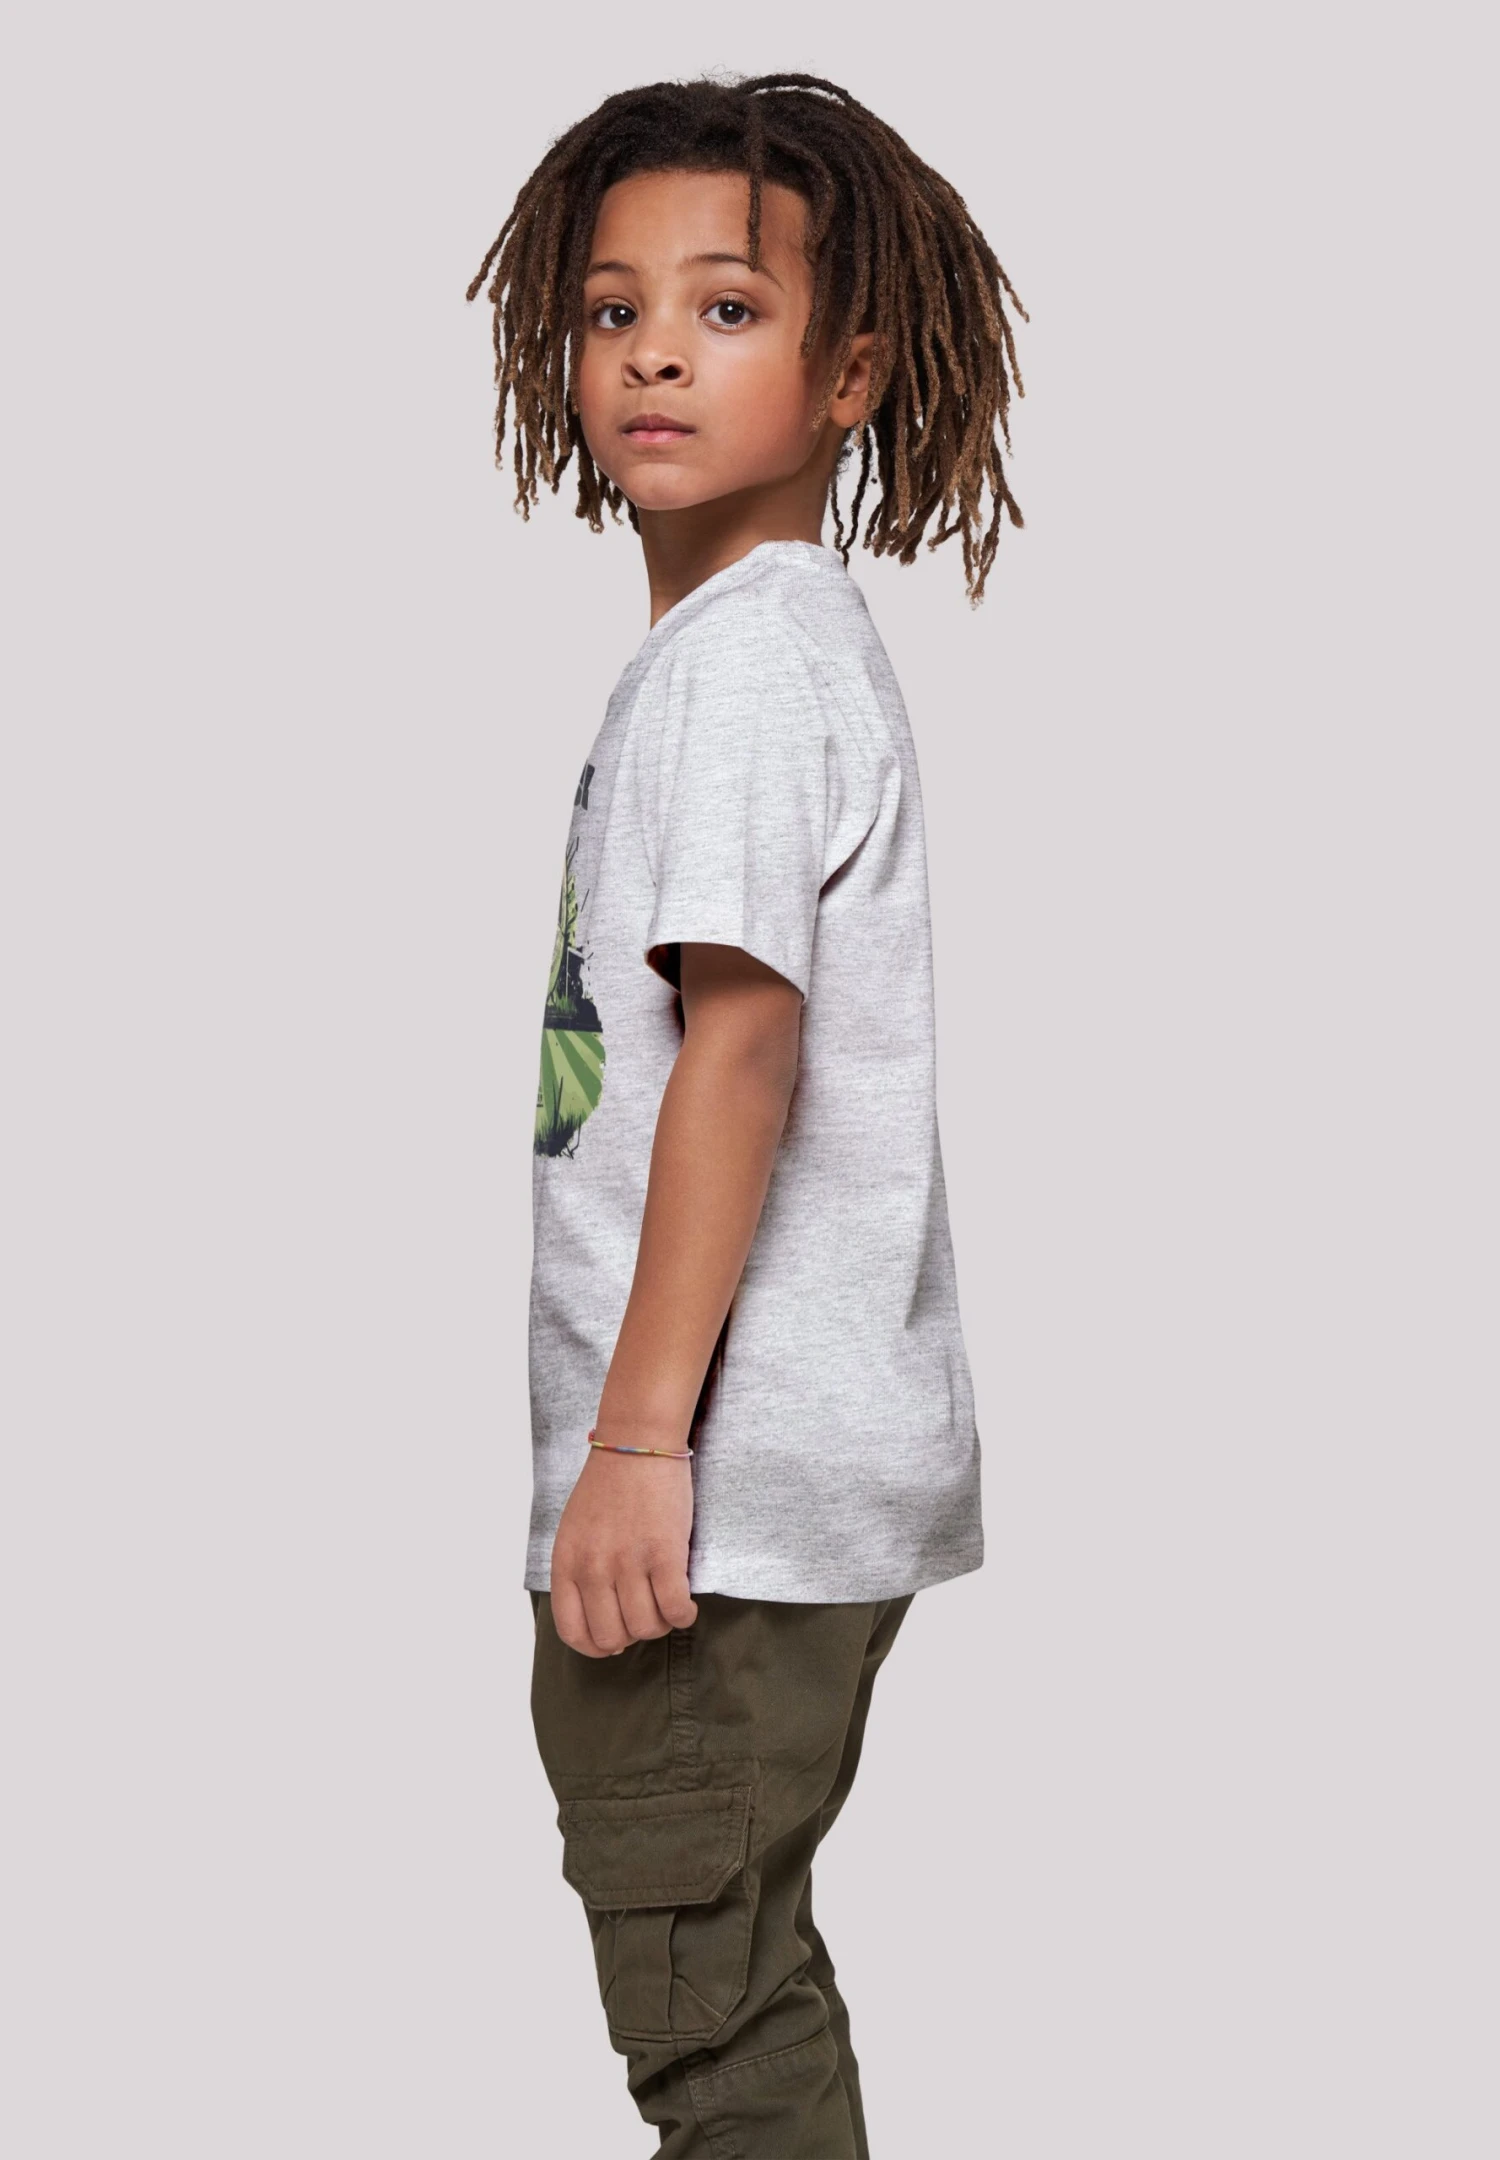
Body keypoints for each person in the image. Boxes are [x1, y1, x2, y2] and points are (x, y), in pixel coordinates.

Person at [468, 73, 1025, 2158]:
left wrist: (636, 1448)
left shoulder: (743, 664)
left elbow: (741, 1051)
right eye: (613, 313)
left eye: (726, 309)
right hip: (773, 1474)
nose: (653, 356)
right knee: (737, 1980)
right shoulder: (757, 652)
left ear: (851, 372)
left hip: (722, 1489)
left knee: (713, 2022)